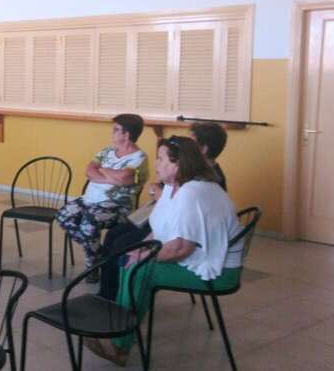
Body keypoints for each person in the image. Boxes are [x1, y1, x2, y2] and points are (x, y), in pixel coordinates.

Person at [86, 136, 243, 366]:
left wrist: (142, 257)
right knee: (132, 260)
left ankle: (119, 345)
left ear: (178, 164)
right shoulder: (175, 187)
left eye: (161, 159)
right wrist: (140, 251)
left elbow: (181, 248)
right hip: (202, 255)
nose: (156, 164)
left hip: (220, 272)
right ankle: (120, 326)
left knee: (140, 271)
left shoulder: (192, 193)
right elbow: (159, 228)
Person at [55, 114, 148, 283]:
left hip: (117, 205)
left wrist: (103, 170)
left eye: (115, 130)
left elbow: (123, 179)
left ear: (126, 135)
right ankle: (100, 257)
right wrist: (111, 175)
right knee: (63, 215)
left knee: (88, 223)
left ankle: (92, 266)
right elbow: (89, 170)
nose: (112, 133)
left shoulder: (139, 158)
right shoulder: (107, 151)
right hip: (89, 199)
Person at [190, 122, 228, 191]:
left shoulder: (208, 180)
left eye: (191, 143)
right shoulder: (203, 172)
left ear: (203, 149)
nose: (187, 147)